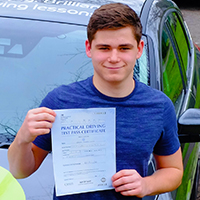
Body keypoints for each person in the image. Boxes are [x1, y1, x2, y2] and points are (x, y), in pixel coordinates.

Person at [8, 3, 183, 200]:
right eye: (104, 48)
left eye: (124, 48)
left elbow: (174, 170)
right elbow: (20, 172)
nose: (114, 58)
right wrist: (22, 138)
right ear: (89, 48)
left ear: (139, 49)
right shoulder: (60, 101)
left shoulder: (159, 106)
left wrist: (146, 184)